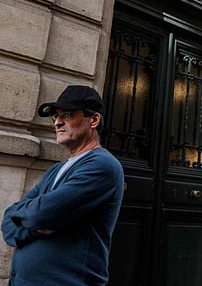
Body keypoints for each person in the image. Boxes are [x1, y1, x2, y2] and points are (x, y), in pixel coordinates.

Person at [2, 85, 124, 286]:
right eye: (55, 116)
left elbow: (41, 214)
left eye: (67, 114)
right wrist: (36, 222)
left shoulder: (102, 165)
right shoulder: (55, 170)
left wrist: (33, 218)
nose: (57, 122)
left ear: (94, 120)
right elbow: (8, 223)